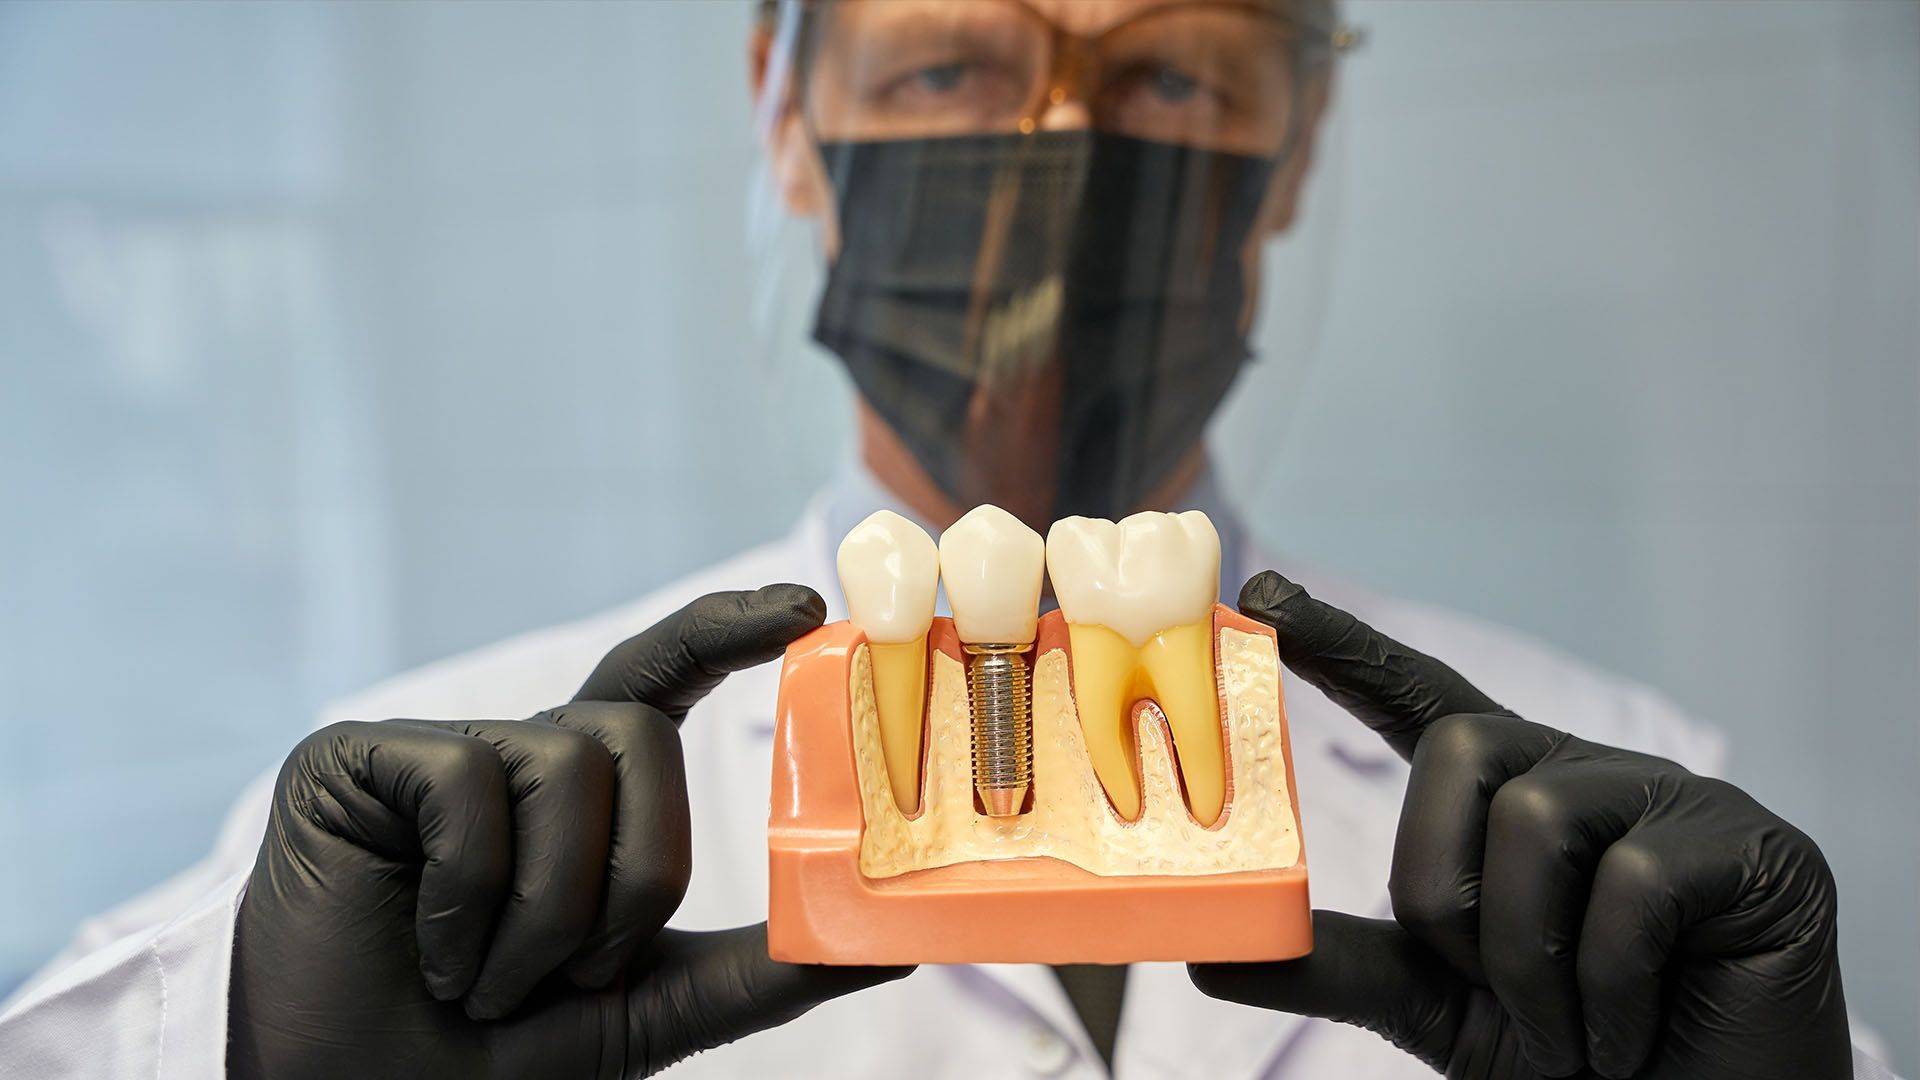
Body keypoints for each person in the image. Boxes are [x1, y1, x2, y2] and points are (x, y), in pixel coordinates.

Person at [0, 1, 1896, 1077]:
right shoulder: (393, 850)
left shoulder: (1624, 833)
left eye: (1170, 75)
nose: (1055, 158)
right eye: (947, 68)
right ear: (786, 108)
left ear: (1296, 138)